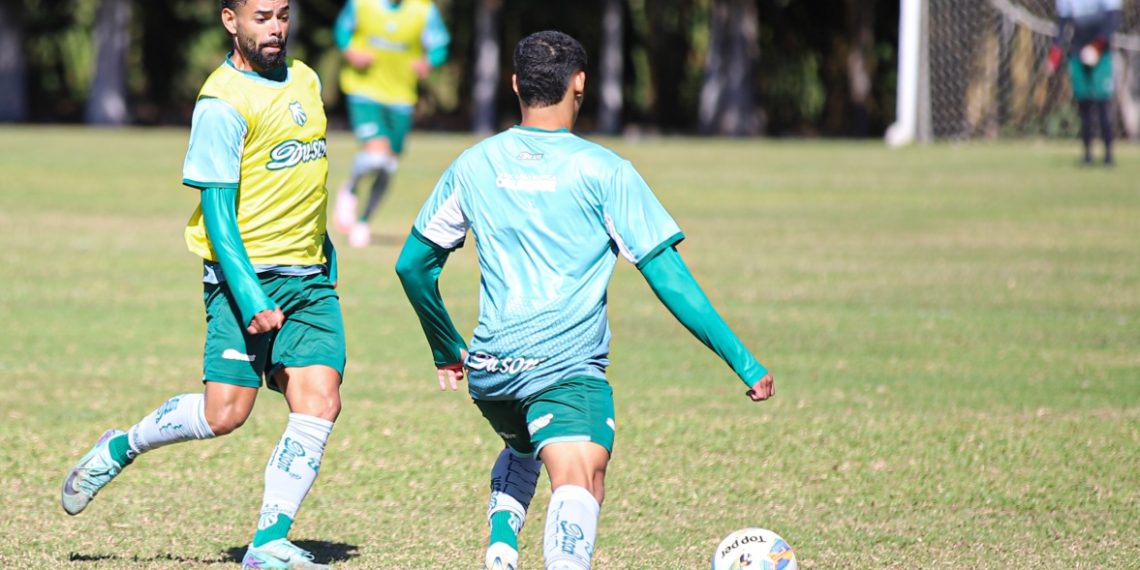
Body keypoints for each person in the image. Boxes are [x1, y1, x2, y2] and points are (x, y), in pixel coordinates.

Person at [395, 30, 775, 570]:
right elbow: (670, 280)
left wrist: (445, 347)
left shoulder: (474, 164)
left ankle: (501, 549)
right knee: (579, 477)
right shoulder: (605, 171)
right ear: (580, 82)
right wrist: (744, 359)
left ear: (515, 84)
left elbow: (412, 266)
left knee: (526, 443)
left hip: (492, 372)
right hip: (564, 365)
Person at [59, 1, 345, 568]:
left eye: (283, 15)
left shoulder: (307, 80)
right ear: (230, 21)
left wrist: (325, 252)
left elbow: (305, 185)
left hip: (309, 280)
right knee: (225, 414)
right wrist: (251, 295)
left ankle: (268, 542)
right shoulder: (221, 103)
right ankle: (121, 445)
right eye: (262, 16)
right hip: (244, 281)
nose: (276, 28)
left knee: (319, 401)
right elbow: (217, 213)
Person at [332, 0, 450, 247]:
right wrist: (350, 50)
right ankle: (350, 189)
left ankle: (364, 221)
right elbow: (342, 30)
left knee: (388, 166)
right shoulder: (361, 4)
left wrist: (429, 62)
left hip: (401, 98)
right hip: (364, 91)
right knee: (376, 155)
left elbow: (439, 46)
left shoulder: (423, 10)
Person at [1048, 0, 1122, 166]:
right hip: (1077, 52)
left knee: (1103, 104)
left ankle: (1108, 156)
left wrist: (1096, 46)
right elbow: (1062, 24)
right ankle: (1087, 155)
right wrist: (1055, 52)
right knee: (1084, 105)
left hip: (1102, 53)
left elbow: (1114, 20)